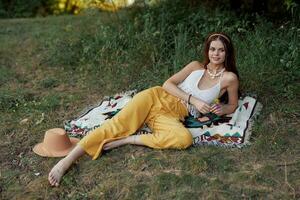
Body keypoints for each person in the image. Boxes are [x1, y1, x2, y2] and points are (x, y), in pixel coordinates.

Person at [48, 32, 239, 186]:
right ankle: (66, 161)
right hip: (155, 97)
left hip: (172, 115)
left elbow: (233, 105)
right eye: (212, 49)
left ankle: (127, 140)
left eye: (220, 50)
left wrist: (223, 109)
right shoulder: (196, 66)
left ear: (227, 53)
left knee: (184, 139)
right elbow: (167, 83)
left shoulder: (229, 78)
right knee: (115, 125)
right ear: (207, 51)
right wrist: (194, 100)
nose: (215, 54)